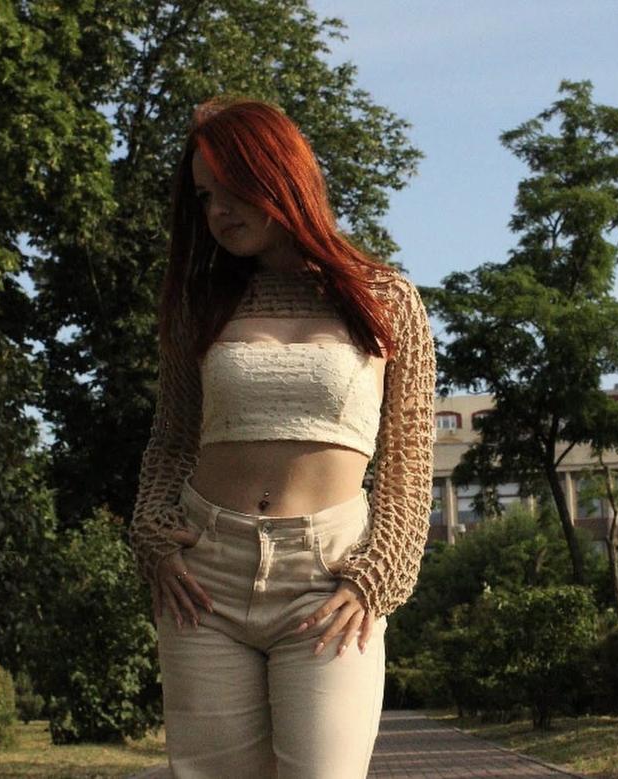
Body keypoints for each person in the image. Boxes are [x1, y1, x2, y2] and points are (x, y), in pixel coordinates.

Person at [129, 96, 436, 779]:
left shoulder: (387, 299)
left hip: (329, 579)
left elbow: (409, 458)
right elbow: (171, 440)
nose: (217, 211)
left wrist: (378, 575)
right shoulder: (201, 303)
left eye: (230, 188)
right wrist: (153, 533)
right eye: (204, 197)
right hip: (205, 578)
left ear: (279, 173)